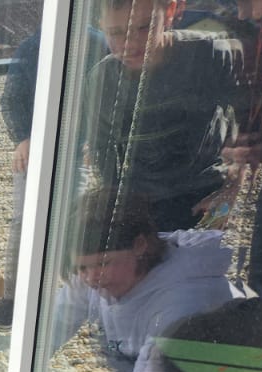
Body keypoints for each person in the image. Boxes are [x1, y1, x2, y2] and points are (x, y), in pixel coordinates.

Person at [0, 190, 239, 372]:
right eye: (82, 268)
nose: (91, 278)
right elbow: (51, 329)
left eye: (104, 264)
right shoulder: (94, 273)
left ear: (140, 245)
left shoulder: (183, 298)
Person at [85, 0, 243, 232]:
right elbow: (103, 153)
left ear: (170, 12)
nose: (129, 44)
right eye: (115, 32)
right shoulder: (101, 79)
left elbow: (249, 129)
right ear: (101, 26)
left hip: (204, 199)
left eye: (143, 27)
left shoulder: (208, 54)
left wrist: (232, 191)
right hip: (139, 206)